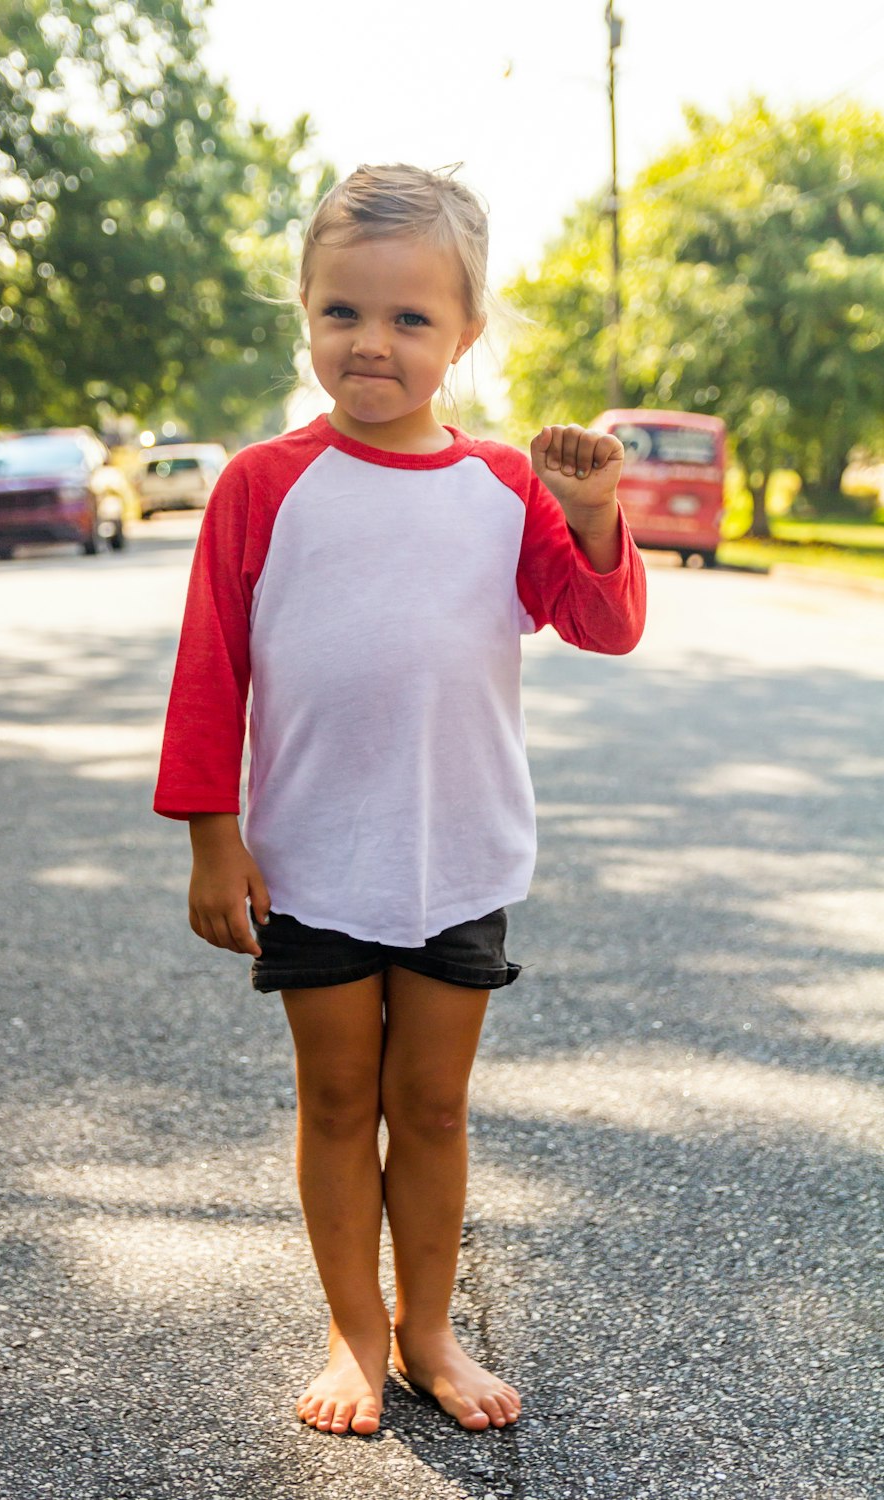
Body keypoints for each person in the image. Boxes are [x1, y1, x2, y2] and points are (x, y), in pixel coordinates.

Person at [154, 163, 646, 1437]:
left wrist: (593, 514)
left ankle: (429, 1331)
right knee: (334, 1100)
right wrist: (216, 838)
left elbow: (601, 624)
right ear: (306, 316)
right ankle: (353, 1330)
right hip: (311, 856)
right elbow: (213, 665)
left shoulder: (506, 486)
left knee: (427, 1105)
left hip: (456, 852)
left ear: (465, 333)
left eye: (410, 319)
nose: (371, 343)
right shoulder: (261, 484)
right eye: (341, 313)